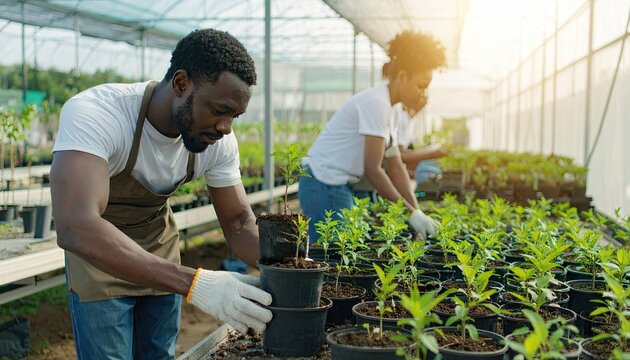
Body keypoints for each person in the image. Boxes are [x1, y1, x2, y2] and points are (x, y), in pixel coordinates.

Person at [50, 29, 272, 359]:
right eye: (219, 110)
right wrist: (196, 283)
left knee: (158, 353)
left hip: (158, 243)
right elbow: (76, 224)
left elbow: (239, 221)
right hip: (99, 255)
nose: (226, 127)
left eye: (234, 117)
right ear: (181, 84)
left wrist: (291, 272)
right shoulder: (99, 114)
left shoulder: (218, 140)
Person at [298, 31, 446, 243]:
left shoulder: (392, 109)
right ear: (403, 76)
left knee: (343, 253)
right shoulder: (377, 104)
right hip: (323, 182)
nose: (423, 93)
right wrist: (410, 214)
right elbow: (373, 168)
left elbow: (396, 165)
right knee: (333, 256)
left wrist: (416, 211)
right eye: (421, 85)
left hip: (336, 184)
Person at [395, 94, 448, 191]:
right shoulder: (401, 118)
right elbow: (399, 154)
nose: (423, 103)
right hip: (396, 174)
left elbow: (405, 150)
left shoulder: (410, 119)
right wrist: (431, 154)